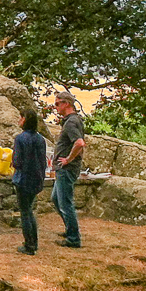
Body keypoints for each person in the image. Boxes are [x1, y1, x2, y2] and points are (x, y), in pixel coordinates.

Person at [51, 92, 85, 248]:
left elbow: (79, 143)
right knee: (56, 199)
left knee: (65, 203)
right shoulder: (72, 120)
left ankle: (73, 238)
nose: (55, 107)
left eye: (58, 104)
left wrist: (68, 159)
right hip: (63, 168)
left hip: (67, 168)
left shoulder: (71, 122)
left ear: (67, 104)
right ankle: (70, 229)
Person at [12, 108, 46, 255]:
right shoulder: (40, 139)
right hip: (36, 178)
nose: (19, 120)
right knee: (29, 210)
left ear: (25, 120)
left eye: (21, 118)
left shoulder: (20, 139)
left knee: (25, 212)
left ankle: (29, 245)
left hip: (23, 178)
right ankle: (34, 242)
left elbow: (17, 162)